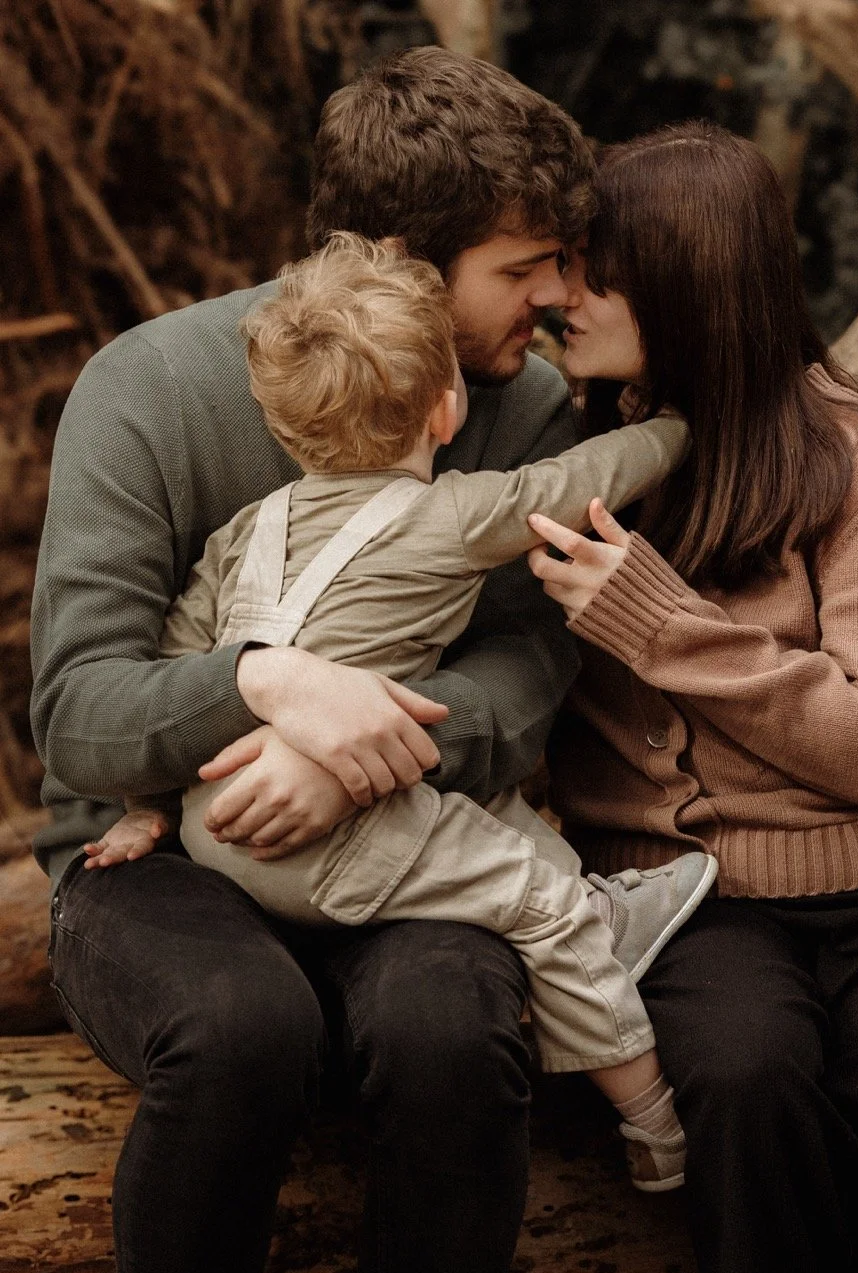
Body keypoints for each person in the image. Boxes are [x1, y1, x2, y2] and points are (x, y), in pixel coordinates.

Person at [33, 47, 599, 1273]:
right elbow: (76, 713)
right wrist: (264, 681)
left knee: (450, 1027)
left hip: (415, 841)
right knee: (244, 1024)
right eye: (521, 267)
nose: (554, 297)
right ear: (406, 265)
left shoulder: (528, 406)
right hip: (157, 862)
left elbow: (527, 664)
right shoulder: (147, 388)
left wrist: (349, 753)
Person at [82, 231, 717, 1188]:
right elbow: (577, 485)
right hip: (317, 847)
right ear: (447, 406)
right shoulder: (453, 516)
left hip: (218, 828)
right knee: (538, 909)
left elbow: (180, 667)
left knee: (478, 820)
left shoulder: (244, 532)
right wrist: (677, 426)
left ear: (284, 426)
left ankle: (590, 904)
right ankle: (655, 1126)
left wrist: (148, 808)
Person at [527, 120, 858, 1273]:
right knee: (747, 1082)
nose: (564, 295)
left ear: (689, 282)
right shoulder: (557, 453)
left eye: (598, 270)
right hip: (689, 904)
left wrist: (658, 623)